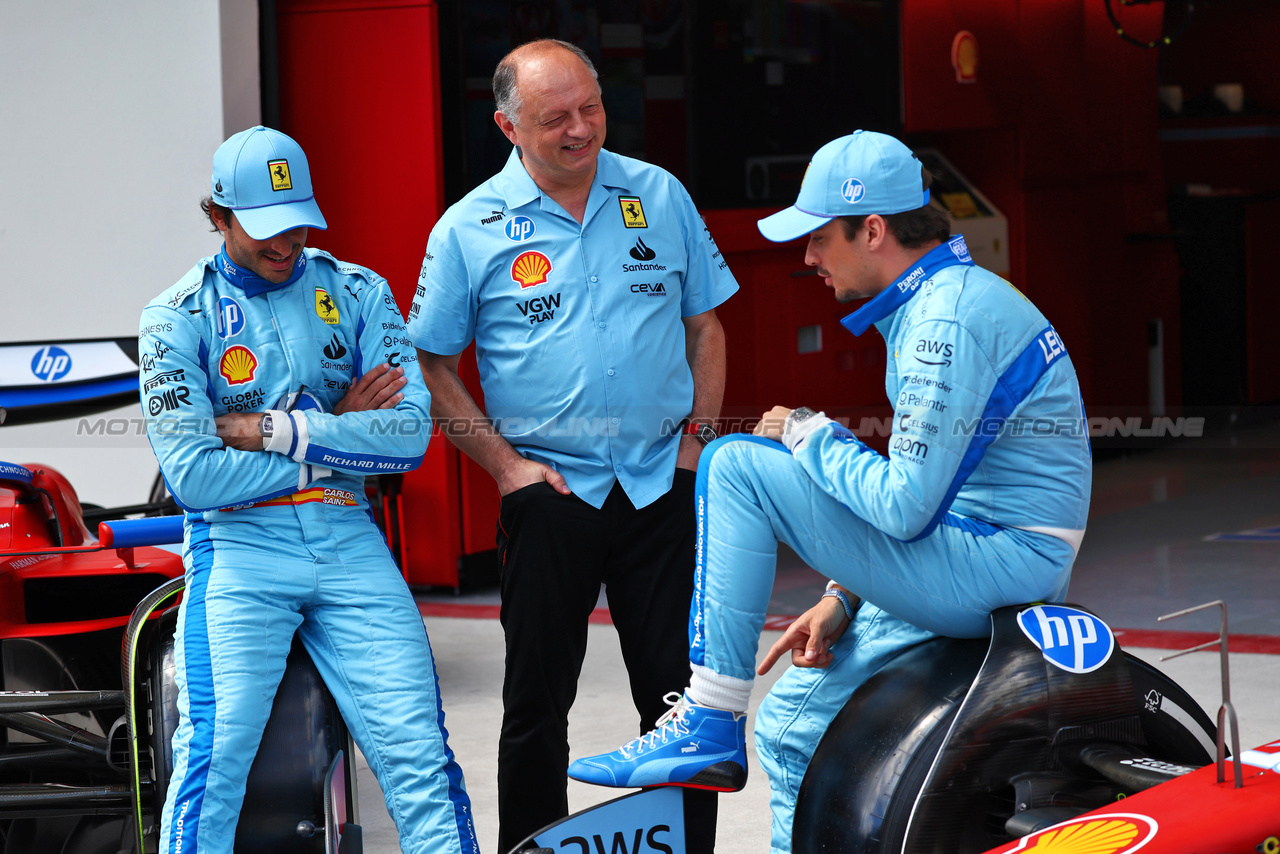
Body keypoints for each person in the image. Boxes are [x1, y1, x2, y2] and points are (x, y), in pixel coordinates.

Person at [567, 130, 1092, 854]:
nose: (808, 257)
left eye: (818, 238)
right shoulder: (936, 302)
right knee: (789, 730)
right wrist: (843, 596)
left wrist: (812, 435)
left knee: (734, 465)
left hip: (1004, 564)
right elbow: (935, 490)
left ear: (872, 230)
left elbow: (907, 506)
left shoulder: (946, 319)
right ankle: (728, 730)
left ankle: (711, 716)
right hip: (980, 548)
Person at [408, 39, 738, 853]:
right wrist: (508, 471)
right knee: (535, 710)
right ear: (508, 126)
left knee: (679, 707)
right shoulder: (468, 229)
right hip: (549, 498)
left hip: (663, 488)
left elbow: (707, 328)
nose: (581, 128)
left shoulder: (657, 195)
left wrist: (696, 449)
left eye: (590, 107)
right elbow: (432, 368)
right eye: (556, 117)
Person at [139, 126, 479, 854]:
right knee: (215, 754)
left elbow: (410, 439)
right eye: (264, 228)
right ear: (220, 217)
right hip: (237, 546)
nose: (287, 241)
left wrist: (271, 430)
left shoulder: (357, 291)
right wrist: (339, 434)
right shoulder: (174, 317)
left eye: (297, 220)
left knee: (420, 754)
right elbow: (195, 478)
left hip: (348, 538)